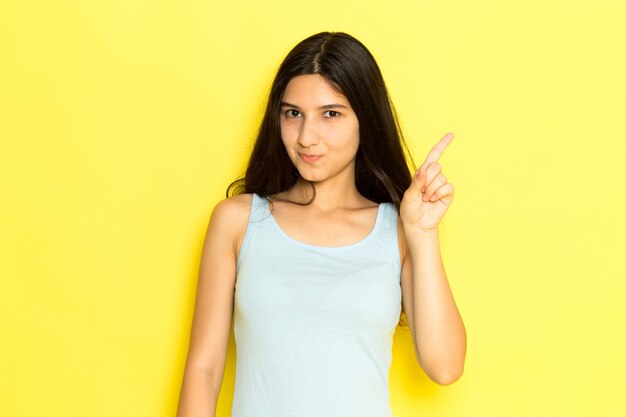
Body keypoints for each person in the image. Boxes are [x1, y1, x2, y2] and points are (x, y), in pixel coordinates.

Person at [176, 31, 466, 417]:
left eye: (331, 114)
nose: (306, 138)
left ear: (365, 118)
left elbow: (444, 366)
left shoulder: (398, 229)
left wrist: (423, 234)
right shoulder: (238, 222)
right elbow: (204, 370)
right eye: (293, 113)